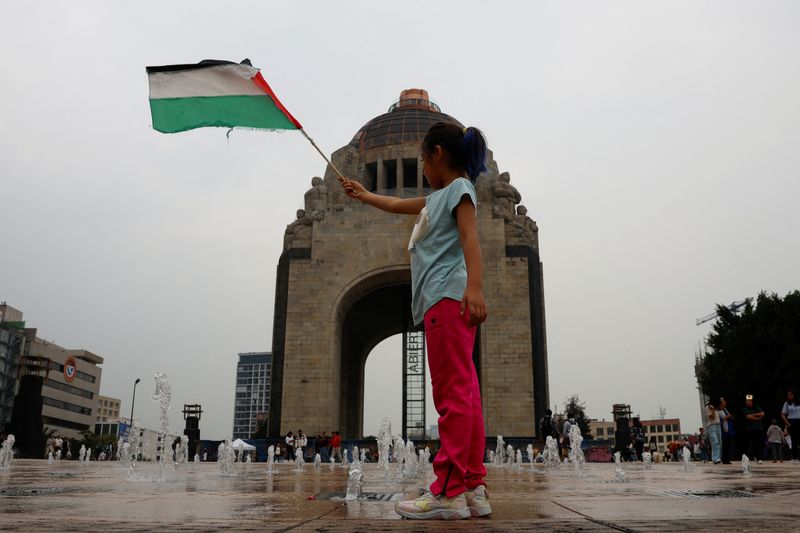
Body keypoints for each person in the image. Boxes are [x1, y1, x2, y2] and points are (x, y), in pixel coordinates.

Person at [341, 122, 489, 520]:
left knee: (451, 396)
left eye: (423, 160)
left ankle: (446, 491)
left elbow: (471, 239)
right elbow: (393, 206)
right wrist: (363, 193)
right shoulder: (437, 198)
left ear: (438, 154)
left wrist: (474, 287)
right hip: (445, 301)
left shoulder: (458, 191)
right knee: (466, 394)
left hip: (446, 299)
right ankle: (473, 486)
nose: (422, 169)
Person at [742, 394, 765, 463]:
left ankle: (759, 458)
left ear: (752, 401)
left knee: (759, 444)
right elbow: (749, 417)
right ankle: (748, 457)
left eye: (749, 401)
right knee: (750, 444)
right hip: (750, 429)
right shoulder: (745, 409)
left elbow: (763, 414)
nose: (747, 402)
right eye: (746, 401)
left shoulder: (757, 407)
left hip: (759, 428)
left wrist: (753, 415)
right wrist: (758, 417)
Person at [781, 389, 800, 464]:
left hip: (799, 421)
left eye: (791, 394)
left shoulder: (799, 403)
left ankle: (796, 458)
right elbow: (782, 414)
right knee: (794, 440)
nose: (789, 396)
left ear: (794, 395)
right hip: (792, 421)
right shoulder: (786, 403)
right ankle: (795, 458)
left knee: (798, 439)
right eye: (788, 395)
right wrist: (787, 423)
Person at [719, 396, 735, 464]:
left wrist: (730, 417)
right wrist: (727, 417)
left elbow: (729, 417)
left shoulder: (725, 409)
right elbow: (719, 420)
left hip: (729, 429)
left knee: (728, 445)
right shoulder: (718, 410)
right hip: (724, 431)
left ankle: (727, 458)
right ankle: (724, 459)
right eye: (723, 401)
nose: (725, 402)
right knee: (724, 445)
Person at [706, 400, 722, 464]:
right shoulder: (708, 407)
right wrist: (712, 409)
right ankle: (715, 459)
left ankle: (718, 458)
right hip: (712, 426)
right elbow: (711, 417)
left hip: (718, 425)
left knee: (719, 443)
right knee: (715, 442)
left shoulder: (717, 409)